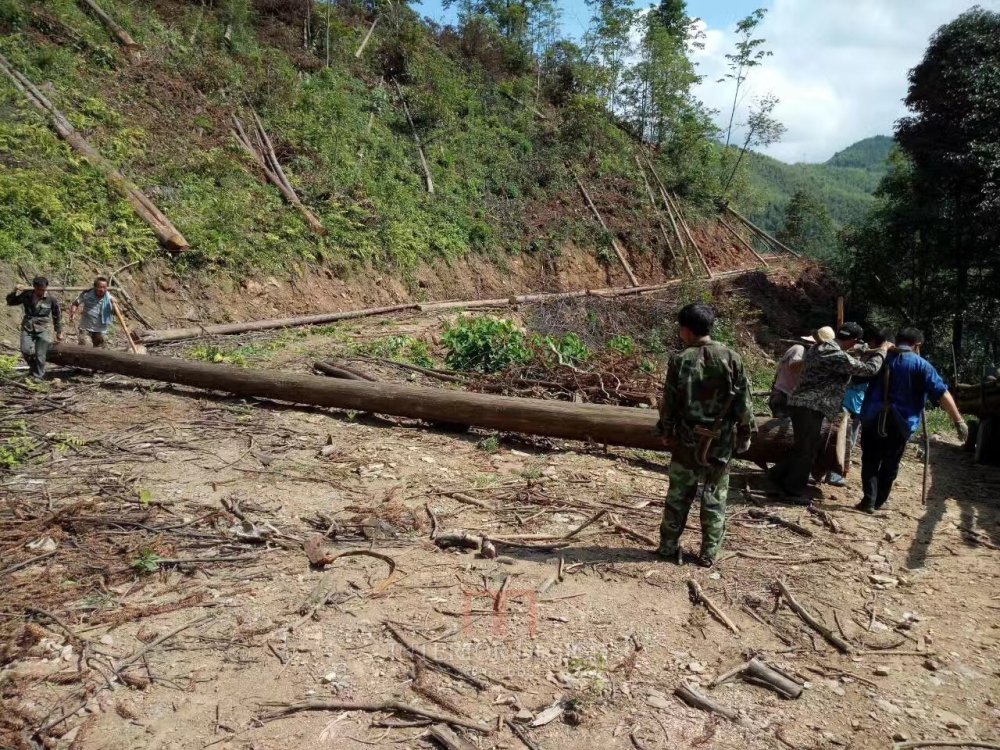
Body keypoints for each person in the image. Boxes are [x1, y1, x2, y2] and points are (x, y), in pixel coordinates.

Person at [655, 303, 755, 566]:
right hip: (720, 440)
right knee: (715, 496)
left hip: (687, 438)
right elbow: (744, 402)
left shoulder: (680, 360)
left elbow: (670, 403)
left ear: (686, 330)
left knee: (678, 494)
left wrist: (666, 432)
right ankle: (709, 553)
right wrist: (746, 433)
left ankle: (667, 546)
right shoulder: (732, 357)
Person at [768, 323, 889, 503]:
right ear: (853, 340)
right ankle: (793, 492)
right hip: (810, 406)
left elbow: (850, 352)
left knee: (805, 446)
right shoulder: (835, 354)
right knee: (806, 450)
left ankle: (777, 475)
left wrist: (864, 349)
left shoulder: (821, 347)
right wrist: (882, 351)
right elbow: (868, 370)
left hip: (804, 405)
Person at [856, 328, 968, 513]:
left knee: (870, 459)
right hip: (901, 421)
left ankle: (869, 500)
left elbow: (857, 376)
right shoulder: (922, 365)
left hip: (873, 415)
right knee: (891, 462)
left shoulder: (879, 356)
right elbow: (941, 393)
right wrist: (958, 420)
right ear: (917, 345)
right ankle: (878, 501)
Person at [824, 329, 892, 486]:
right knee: (841, 438)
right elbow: (863, 373)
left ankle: (834, 471)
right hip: (848, 401)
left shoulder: (873, 355)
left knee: (848, 438)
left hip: (856, 403)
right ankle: (833, 473)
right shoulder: (867, 354)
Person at [6, 277, 63, 380]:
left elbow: (57, 316)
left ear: (46, 288)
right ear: (34, 287)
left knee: (41, 354)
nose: (41, 292)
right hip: (27, 327)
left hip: (43, 328)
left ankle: (38, 376)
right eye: (39, 289)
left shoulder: (51, 299)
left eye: (43, 289)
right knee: (25, 350)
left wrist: (59, 331)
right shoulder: (27, 295)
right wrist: (15, 290)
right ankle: (33, 369)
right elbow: (10, 302)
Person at [769, 335, 814, 417]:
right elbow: (794, 366)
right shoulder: (799, 349)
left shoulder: (804, 353)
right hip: (782, 396)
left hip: (787, 396)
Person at [69, 276, 114, 348]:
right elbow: (75, 303)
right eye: (100, 287)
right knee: (85, 348)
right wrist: (73, 312)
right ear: (95, 287)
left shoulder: (109, 298)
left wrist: (114, 305)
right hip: (85, 327)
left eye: (104, 287)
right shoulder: (87, 294)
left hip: (100, 329)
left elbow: (115, 312)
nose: (102, 290)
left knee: (101, 351)